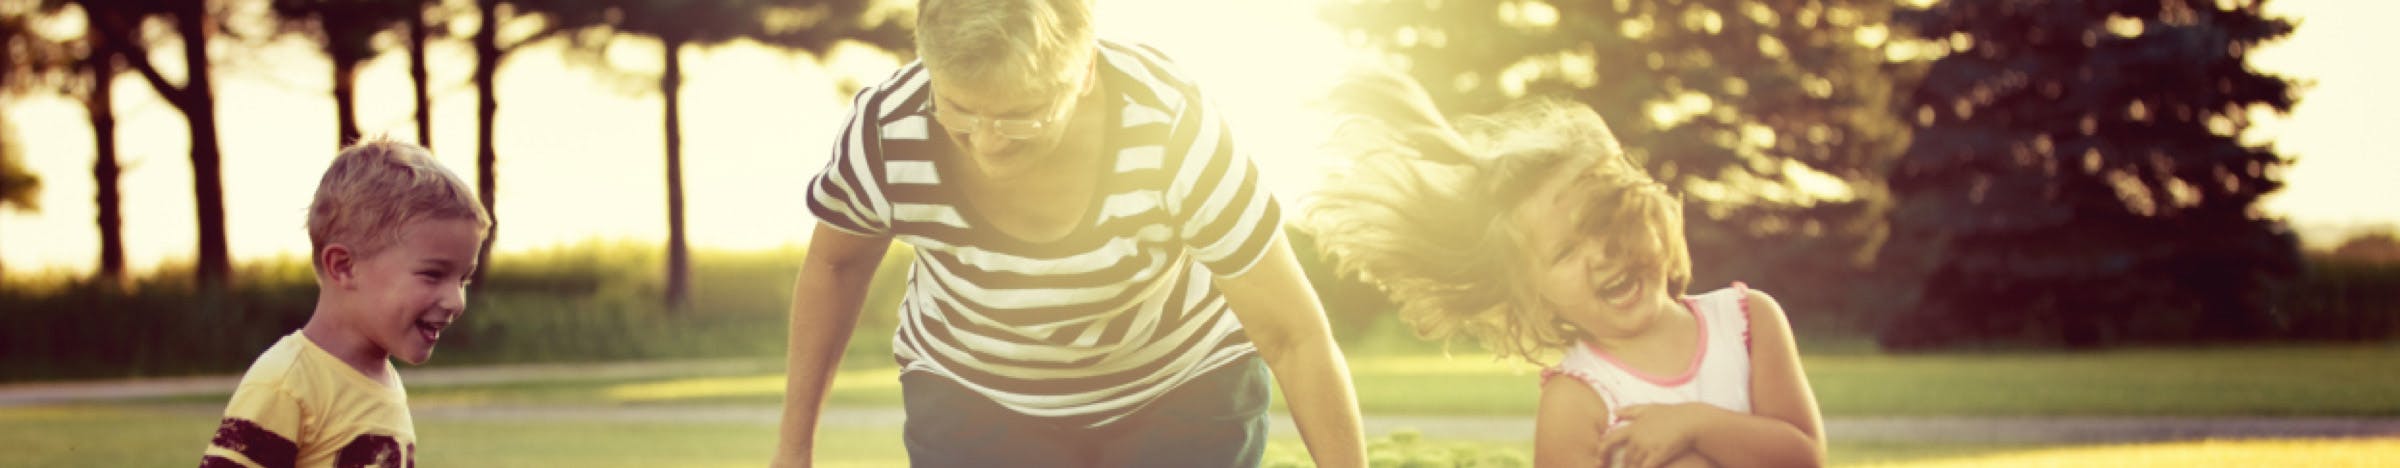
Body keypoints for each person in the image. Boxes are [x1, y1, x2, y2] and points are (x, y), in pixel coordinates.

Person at [772, 0, 1367, 466]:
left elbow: (1292, 335)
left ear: (1083, 71)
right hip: (972, 387)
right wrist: (794, 450)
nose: (988, 142)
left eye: (1019, 115)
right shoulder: (886, 129)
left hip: (1178, 382)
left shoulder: (1172, 129)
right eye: (959, 109)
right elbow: (837, 265)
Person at [1303, 69, 1826, 468]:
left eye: (1605, 222)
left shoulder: (1748, 320)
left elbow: (1804, 455)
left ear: (1645, 208)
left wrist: (1693, 425)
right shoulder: (1578, 398)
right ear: (1535, 294)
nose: (1599, 254)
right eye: (1564, 253)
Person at [199, 137, 490, 467]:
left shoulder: (382, 379)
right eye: (433, 275)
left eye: (463, 279)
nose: (456, 301)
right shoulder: (287, 383)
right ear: (344, 266)